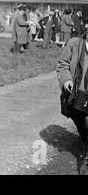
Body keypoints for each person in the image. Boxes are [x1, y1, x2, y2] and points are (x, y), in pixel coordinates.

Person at [56, 22, 88, 174]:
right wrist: (67, 79)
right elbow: (63, 64)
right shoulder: (74, 43)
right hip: (79, 94)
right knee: (78, 119)